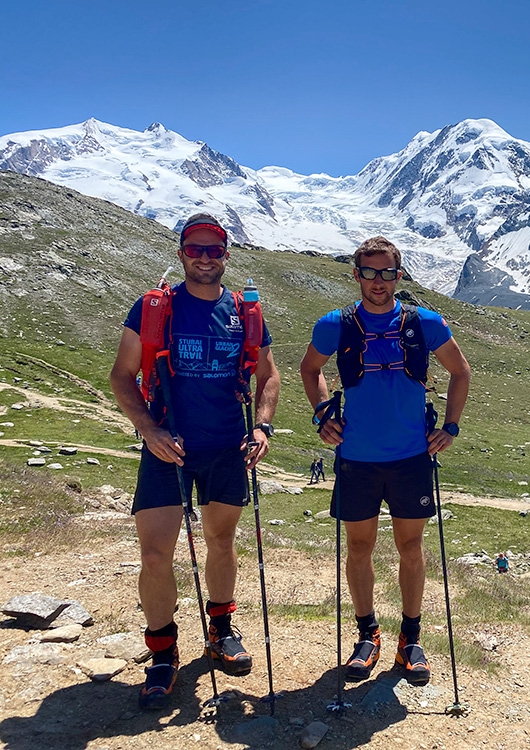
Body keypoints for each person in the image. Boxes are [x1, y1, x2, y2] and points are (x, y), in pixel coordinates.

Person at [110, 214, 280, 710]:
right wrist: (149, 430)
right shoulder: (152, 308)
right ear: (182, 251)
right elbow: (122, 376)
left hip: (229, 445)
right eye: (195, 248)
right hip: (168, 445)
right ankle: (162, 653)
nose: (204, 258)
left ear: (227, 254)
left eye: (214, 250)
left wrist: (262, 426)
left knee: (221, 541)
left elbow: (269, 377)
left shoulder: (245, 312)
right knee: (155, 554)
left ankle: (220, 629)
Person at [300, 236, 471, 687]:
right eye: (370, 272)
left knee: (410, 548)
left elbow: (461, 371)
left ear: (399, 275)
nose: (379, 281)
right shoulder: (334, 324)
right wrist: (322, 414)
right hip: (356, 457)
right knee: (359, 549)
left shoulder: (425, 323)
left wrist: (449, 427)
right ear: (356, 274)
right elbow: (309, 368)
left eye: (387, 273)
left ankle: (410, 639)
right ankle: (368, 633)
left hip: (411, 456)